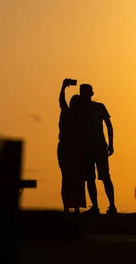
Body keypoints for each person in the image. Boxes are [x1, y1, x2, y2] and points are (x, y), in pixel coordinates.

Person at [78, 83, 117, 215]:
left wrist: (111, 144)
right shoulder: (79, 110)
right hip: (87, 148)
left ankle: (112, 206)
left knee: (105, 177)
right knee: (90, 178)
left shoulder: (99, 107)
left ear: (91, 94)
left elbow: (109, 126)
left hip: (99, 146)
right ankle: (95, 207)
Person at [57, 78, 87, 214]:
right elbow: (61, 100)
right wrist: (63, 87)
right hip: (67, 147)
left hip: (75, 148)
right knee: (67, 177)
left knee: (76, 178)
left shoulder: (79, 117)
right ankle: (68, 207)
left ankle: (74, 207)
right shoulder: (67, 112)